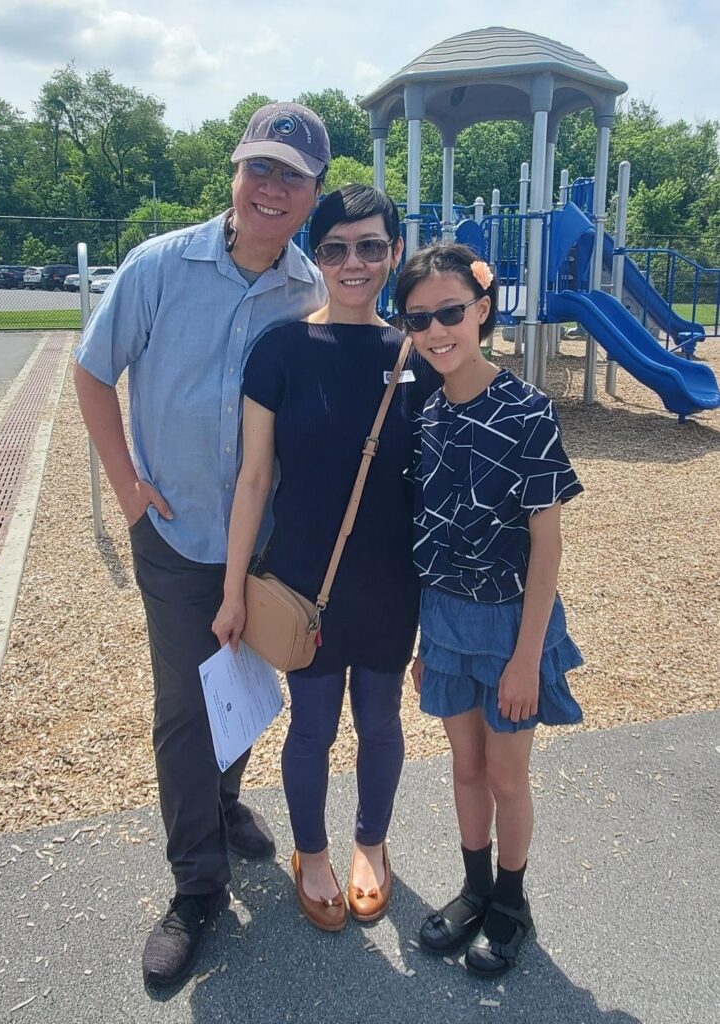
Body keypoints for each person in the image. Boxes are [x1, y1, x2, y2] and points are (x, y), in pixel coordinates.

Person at [73, 101, 331, 987]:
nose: (271, 188)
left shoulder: (310, 292)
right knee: (185, 708)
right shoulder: (157, 266)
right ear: (234, 174)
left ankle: (223, 803)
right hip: (178, 534)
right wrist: (127, 488)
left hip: (262, 544)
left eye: (290, 178)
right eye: (259, 168)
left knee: (245, 679)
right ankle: (196, 888)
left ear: (311, 196)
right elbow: (92, 369)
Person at [212, 185, 440, 932]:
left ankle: (370, 844)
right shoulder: (280, 350)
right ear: (317, 254)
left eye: (371, 246)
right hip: (304, 577)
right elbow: (253, 479)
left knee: (380, 721)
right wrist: (232, 591)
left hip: (390, 580)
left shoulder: (418, 355)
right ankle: (309, 853)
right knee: (311, 726)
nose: (353, 262)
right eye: (335, 246)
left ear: (394, 253)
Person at [394, 242, 584, 976]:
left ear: (480, 311)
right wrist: (422, 640)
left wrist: (526, 657)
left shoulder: (526, 409)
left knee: (507, 775)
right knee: (465, 767)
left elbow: (546, 541)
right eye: (419, 319)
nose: (436, 331)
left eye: (449, 313)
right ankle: (473, 890)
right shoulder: (424, 412)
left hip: (510, 624)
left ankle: (511, 902)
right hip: (443, 620)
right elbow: (428, 538)